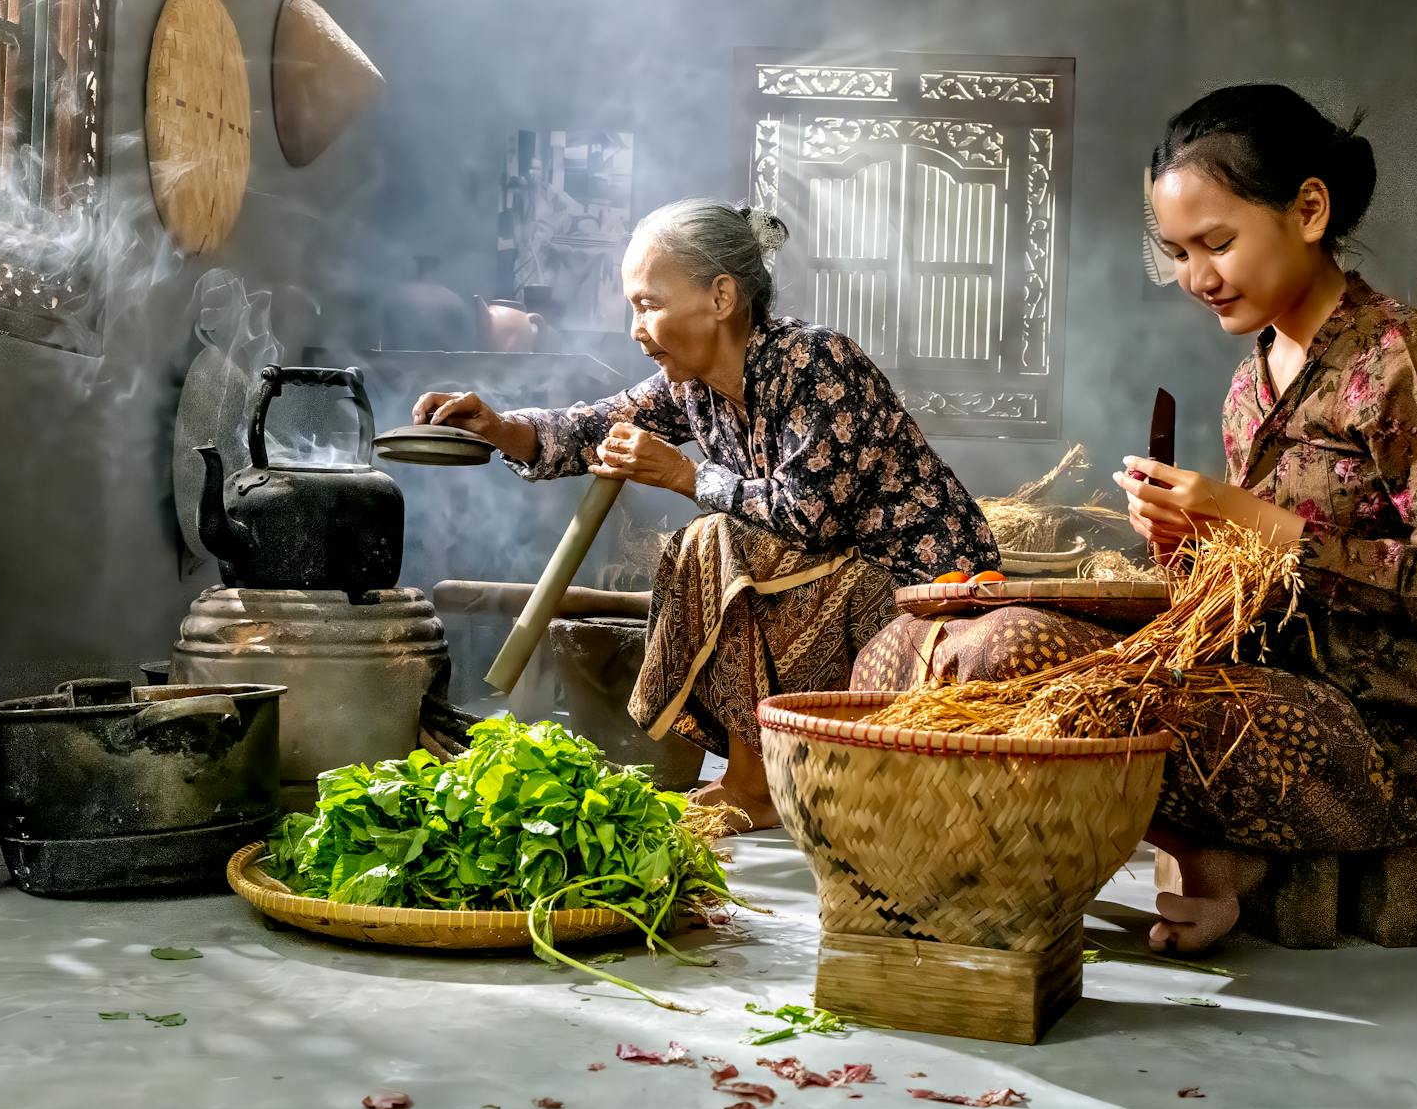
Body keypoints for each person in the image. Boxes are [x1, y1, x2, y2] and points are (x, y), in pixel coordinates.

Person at [413, 199, 999, 829]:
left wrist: (684, 474)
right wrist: (500, 427)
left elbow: (810, 518)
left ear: (721, 297)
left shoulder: (817, 363)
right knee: (718, 539)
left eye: (648, 304)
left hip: (923, 592)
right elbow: (590, 428)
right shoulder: (690, 386)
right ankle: (754, 777)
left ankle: (756, 784)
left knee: (718, 537)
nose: (636, 328)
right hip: (835, 581)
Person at [1106, 83, 1417, 952]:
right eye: (1178, 251)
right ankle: (1208, 856)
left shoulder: (1403, 357)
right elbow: (1258, 590)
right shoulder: (1249, 386)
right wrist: (1193, 545)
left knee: (1120, 714)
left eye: (1217, 242)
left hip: (1378, 735)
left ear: (1309, 209)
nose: (1196, 278)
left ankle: (1217, 862)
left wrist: (1256, 522)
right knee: (1033, 664)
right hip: (1265, 688)